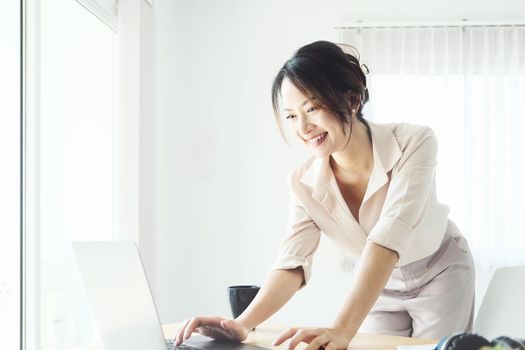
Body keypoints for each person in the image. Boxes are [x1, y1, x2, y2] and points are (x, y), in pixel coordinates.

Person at [174, 40, 475, 350]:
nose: (303, 127)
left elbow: (389, 237)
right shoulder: (303, 183)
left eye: (312, 108)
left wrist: (341, 328)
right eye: (291, 116)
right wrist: (242, 323)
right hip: (379, 287)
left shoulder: (414, 142)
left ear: (352, 99)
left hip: (439, 271)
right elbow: (292, 263)